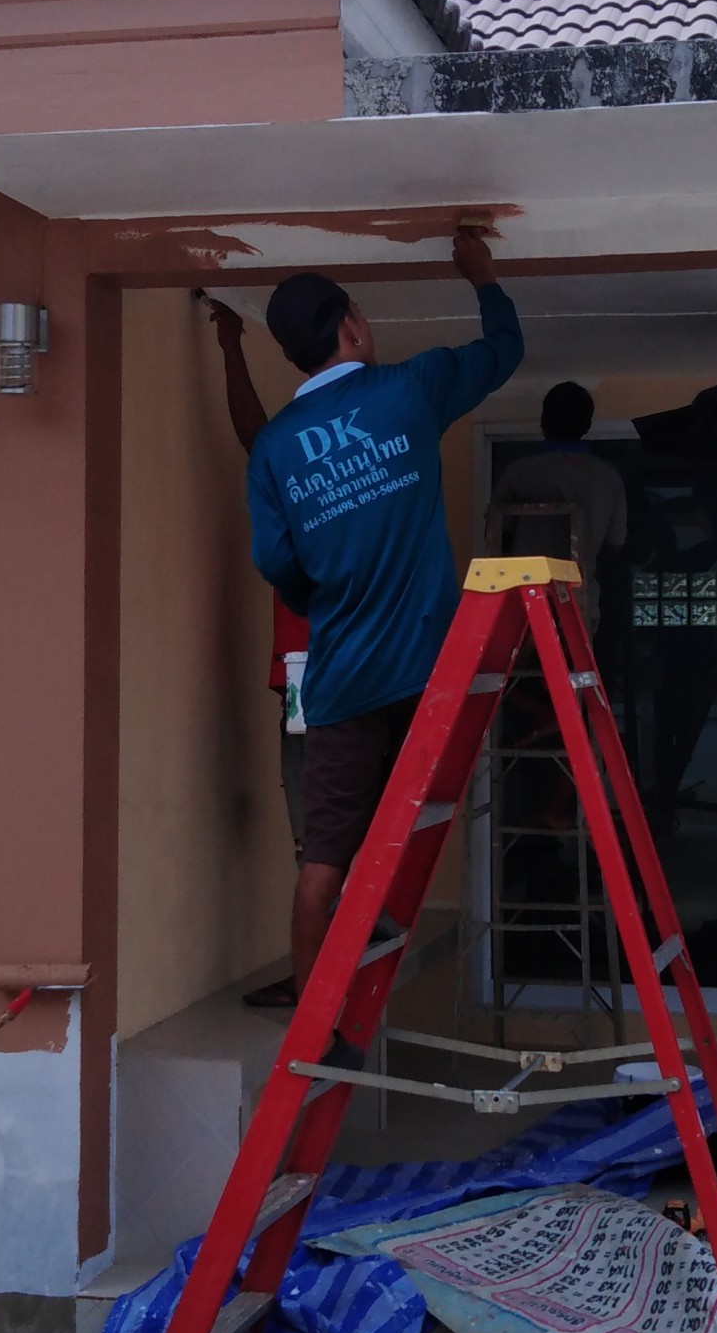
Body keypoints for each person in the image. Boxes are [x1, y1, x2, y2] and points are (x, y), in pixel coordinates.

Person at [248, 226, 523, 996]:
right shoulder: (410, 389)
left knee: (322, 862)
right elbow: (505, 350)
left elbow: (275, 562)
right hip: (430, 675)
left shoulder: (274, 448)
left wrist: (326, 595)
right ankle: (360, 962)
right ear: (351, 327)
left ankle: (314, 1018)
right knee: (405, 830)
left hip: (341, 684)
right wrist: (482, 275)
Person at [200, 290, 312, 1008]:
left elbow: (254, 434)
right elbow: (254, 432)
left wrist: (231, 346)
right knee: (331, 834)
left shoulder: (309, 487)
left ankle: (318, 980)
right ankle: (327, 968)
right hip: (351, 677)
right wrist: (229, 347)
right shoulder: (359, 485)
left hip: (317, 679)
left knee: (318, 839)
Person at [486, 380, 630, 637]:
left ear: (543, 422)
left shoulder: (519, 474)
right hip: (579, 601)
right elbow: (615, 546)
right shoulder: (607, 478)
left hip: (523, 600)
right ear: (587, 426)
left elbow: (495, 535)